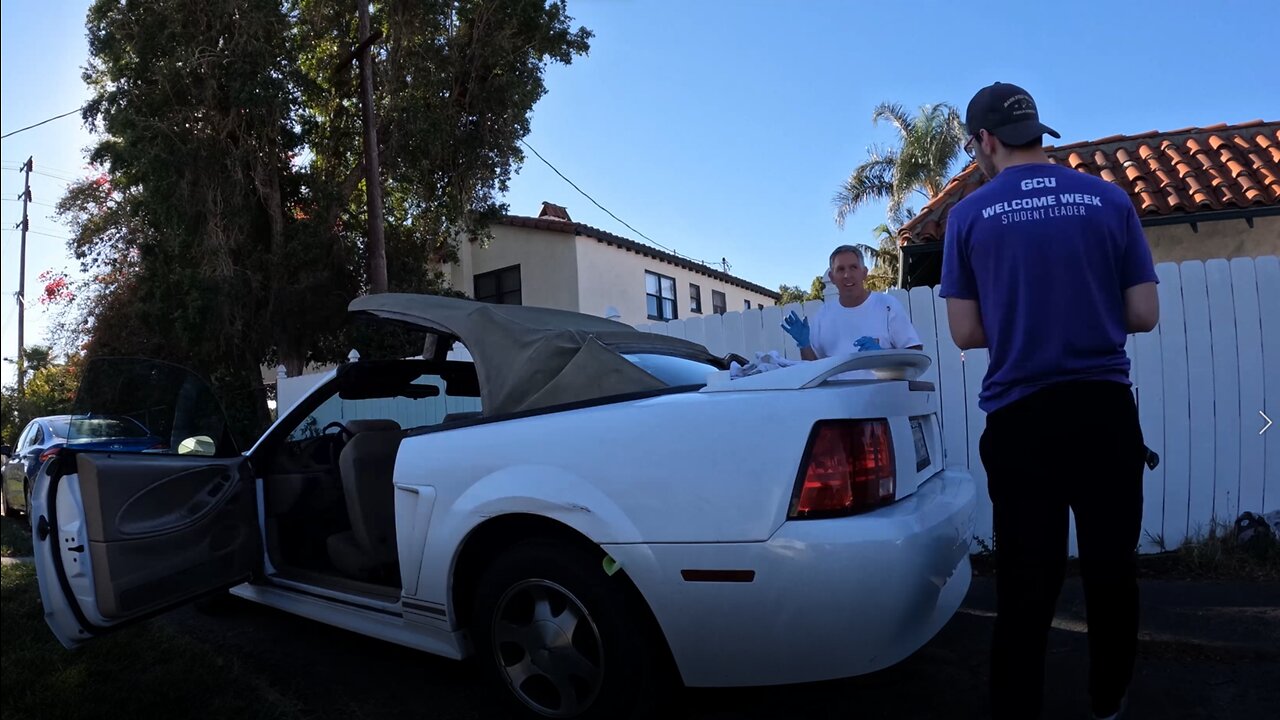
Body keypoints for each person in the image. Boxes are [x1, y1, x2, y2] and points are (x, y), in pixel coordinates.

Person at [940, 82, 1159, 720]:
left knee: (1026, 584)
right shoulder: (1110, 199)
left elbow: (965, 332)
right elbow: (1143, 312)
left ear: (984, 141)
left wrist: (1022, 313)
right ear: (1038, 132)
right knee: (1111, 572)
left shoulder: (969, 216)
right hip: (1103, 413)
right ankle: (1108, 701)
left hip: (1021, 422)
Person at [780, 245, 923, 372]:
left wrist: (882, 355)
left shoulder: (887, 305)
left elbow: (915, 353)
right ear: (832, 277)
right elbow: (813, 368)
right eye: (840, 269)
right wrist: (804, 345)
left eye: (853, 267)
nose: (847, 275)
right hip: (836, 400)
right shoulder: (823, 315)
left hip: (883, 397)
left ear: (864, 273)